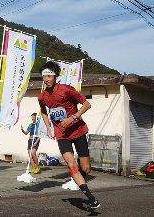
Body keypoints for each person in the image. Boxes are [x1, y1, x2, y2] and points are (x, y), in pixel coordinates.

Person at [37, 61, 100, 212]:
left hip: (78, 130)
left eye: (49, 75)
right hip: (61, 134)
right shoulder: (42, 96)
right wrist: (48, 127)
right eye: (44, 76)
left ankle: (79, 177)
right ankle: (91, 199)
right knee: (71, 164)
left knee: (86, 168)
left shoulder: (67, 90)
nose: (46, 79)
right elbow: (44, 111)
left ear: (56, 77)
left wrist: (73, 117)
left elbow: (86, 104)